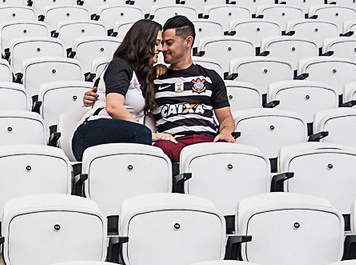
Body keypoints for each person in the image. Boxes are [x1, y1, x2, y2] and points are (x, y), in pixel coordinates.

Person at [70, 19, 175, 161]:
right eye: (156, 44)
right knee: (144, 137)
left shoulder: (143, 75)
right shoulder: (120, 66)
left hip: (123, 135)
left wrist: (159, 69)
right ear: (142, 43)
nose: (161, 49)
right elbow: (113, 106)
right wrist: (150, 135)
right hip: (91, 132)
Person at [152, 14, 236, 162]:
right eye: (162, 43)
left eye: (169, 43)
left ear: (188, 42)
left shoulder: (210, 77)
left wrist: (226, 132)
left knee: (229, 150)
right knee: (159, 152)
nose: (163, 48)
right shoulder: (154, 77)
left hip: (206, 141)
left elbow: (226, 118)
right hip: (172, 142)